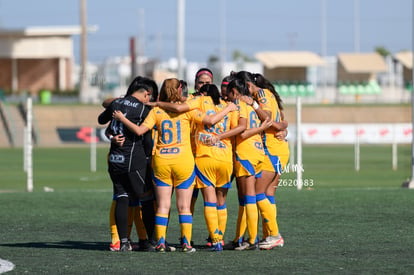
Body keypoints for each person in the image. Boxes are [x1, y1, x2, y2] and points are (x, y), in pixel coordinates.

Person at [112, 78, 236, 253]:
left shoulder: (156, 110)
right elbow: (210, 121)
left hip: (162, 161)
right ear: (178, 90)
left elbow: (140, 131)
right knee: (184, 207)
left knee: (163, 205)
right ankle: (186, 243)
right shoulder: (188, 110)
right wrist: (228, 109)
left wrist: (122, 119)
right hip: (183, 161)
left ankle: (161, 242)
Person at [234, 71, 288, 250]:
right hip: (273, 149)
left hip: (273, 149)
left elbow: (269, 118)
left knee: (258, 194)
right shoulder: (267, 94)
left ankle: (274, 234)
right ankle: (268, 236)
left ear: (248, 86)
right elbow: (281, 120)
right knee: (267, 194)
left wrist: (255, 105)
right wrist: (282, 127)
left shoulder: (262, 95)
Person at [98, 77, 152, 252]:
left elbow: (101, 120)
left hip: (114, 159)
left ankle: (123, 242)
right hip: (133, 161)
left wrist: (112, 137)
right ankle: (151, 241)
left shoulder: (116, 103)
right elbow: (147, 140)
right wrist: (149, 159)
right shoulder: (144, 109)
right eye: (149, 97)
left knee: (121, 197)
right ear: (146, 94)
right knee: (146, 199)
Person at [193, 84, 244, 251]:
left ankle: (215, 240)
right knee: (221, 201)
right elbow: (238, 128)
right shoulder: (229, 107)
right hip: (225, 159)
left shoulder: (199, 102)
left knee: (209, 200)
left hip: (205, 157)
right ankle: (220, 238)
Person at [222, 78, 273, 250]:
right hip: (258, 152)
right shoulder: (252, 105)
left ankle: (252, 240)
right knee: (246, 199)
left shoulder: (239, 106)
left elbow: (242, 133)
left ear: (235, 92)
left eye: (229, 94)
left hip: (245, 153)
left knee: (249, 198)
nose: (228, 98)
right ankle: (243, 239)